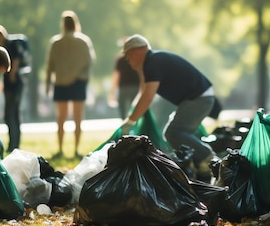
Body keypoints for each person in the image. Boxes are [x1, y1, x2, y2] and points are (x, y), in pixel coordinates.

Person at [119, 34, 217, 177]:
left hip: (199, 98)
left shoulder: (152, 63)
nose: (127, 61)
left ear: (136, 51)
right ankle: (198, 166)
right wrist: (132, 114)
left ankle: (208, 158)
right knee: (177, 133)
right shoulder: (154, 61)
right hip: (200, 97)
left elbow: (147, 98)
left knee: (174, 132)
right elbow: (145, 93)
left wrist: (130, 121)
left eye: (128, 56)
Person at [45, 11, 95, 158]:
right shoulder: (83, 41)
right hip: (78, 82)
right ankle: (76, 150)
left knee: (61, 118)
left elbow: (50, 65)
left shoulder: (56, 42)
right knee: (78, 117)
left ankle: (60, 150)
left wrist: (48, 83)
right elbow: (89, 61)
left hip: (60, 82)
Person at [0, 24, 31, 152]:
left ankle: (14, 145)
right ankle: (13, 144)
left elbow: (15, 60)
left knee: (12, 114)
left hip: (15, 84)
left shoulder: (11, 44)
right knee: (11, 115)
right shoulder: (5, 47)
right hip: (10, 85)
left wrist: (11, 74)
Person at [108, 46, 141, 119]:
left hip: (124, 88)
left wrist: (112, 92)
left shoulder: (120, 59)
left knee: (122, 109)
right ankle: (133, 123)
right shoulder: (138, 59)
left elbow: (116, 76)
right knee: (135, 108)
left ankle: (125, 124)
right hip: (135, 87)